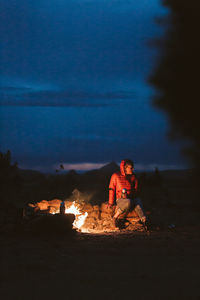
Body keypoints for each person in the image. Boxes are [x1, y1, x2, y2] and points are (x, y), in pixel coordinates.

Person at [108, 159, 147, 228]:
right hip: (121, 199)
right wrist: (110, 203)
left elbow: (136, 189)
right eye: (131, 168)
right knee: (128, 202)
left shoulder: (133, 177)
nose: (133, 169)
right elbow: (111, 189)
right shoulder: (116, 176)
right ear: (125, 168)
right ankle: (114, 218)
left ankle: (144, 221)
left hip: (131, 198)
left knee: (138, 202)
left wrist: (135, 197)